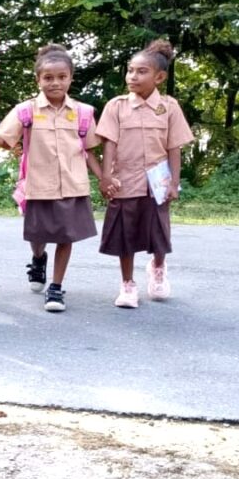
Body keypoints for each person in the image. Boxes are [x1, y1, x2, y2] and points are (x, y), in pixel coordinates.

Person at [0, 44, 104, 312]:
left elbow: (89, 151)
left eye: (61, 77)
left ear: (70, 78)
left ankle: (55, 287)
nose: (55, 83)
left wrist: (104, 178)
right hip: (38, 186)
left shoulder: (83, 112)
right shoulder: (26, 110)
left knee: (66, 236)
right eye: (48, 77)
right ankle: (38, 257)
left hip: (73, 185)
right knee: (38, 235)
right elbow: (4, 139)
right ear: (38, 80)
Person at [96, 39, 194, 308]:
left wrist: (174, 182)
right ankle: (127, 284)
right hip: (124, 178)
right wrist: (106, 177)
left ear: (159, 77)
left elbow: (174, 148)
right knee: (125, 232)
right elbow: (109, 144)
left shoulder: (170, 107)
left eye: (141, 71)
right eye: (130, 70)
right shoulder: (116, 106)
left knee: (158, 230)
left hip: (157, 180)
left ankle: (158, 268)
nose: (133, 76)